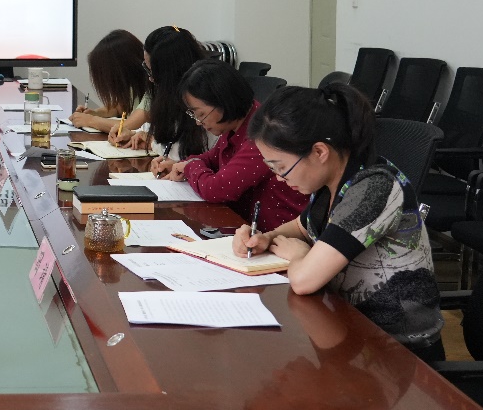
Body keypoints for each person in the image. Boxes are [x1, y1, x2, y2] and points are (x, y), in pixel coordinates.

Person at [235, 83, 444, 361]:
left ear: (319, 152)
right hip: (348, 328)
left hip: (399, 353)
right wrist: (266, 237)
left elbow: (305, 280)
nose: (278, 178)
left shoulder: (374, 188)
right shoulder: (331, 181)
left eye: (281, 167)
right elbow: (302, 226)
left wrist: (299, 255)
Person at [153, 59, 306, 231]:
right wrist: (179, 165)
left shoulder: (261, 133)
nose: (198, 122)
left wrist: (190, 167)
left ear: (223, 101)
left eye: (201, 114)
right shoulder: (236, 124)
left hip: (278, 234)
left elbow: (216, 190)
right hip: (243, 228)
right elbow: (210, 159)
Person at [122, 26, 208, 159]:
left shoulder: (203, 100)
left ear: (172, 73)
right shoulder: (170, 96)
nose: (150, 79)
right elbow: (165, 133)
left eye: (153, 72)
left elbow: (191, 153)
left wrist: (153, 142)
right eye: (146, 68)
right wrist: (140, 135)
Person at [69, 29, 151, 139]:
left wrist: (91, 120)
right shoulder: (134, 85)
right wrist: (95, 113)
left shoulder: (152, 88)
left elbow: (128, 126)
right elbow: (120, 108)